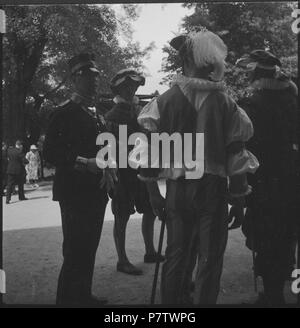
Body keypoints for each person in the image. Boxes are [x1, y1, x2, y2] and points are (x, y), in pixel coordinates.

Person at [133, 30, 259, 304]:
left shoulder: (163, 102)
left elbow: (149, 156)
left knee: (176, 254)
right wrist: (238, 201)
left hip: (178, 189)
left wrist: (154, 194)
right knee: (210, 257)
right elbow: (236, 156)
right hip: (212, 190)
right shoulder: (227, 105)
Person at [43, 53, 117, 306]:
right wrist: (84, 163)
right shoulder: (63, 112)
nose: (94, 81)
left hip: (95, 190)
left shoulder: (95, 113)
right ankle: (66, 299)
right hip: (74, 191)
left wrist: (108, 163)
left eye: (95, 76)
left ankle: (82, 294)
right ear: (75, 78)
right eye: (87, 76)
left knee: (89, 247)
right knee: (75, 250)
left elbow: (102, 147)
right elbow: (50, 152)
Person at [236, 50, 298, 306]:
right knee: (285, 235)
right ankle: (277, 291)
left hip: (264, 181)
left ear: (256, 73)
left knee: (266, 237)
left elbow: (244, 148)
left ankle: (273, 296)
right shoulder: (294, 100)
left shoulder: (251, 104)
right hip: (292, 179)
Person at [104, 69, 164, 275]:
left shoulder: (141, 111)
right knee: (122, 214)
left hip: (143, 169)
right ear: (119, 88)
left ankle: (150, 250)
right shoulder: (112, 116)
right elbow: (110, 149)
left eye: (134, 86)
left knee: (149, 210)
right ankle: (122, 259)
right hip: (123, 172)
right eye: (127, 86)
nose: (131, 89)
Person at [6, 140, 28, 204]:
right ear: (20, 145)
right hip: (19, 170)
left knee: (9, 185)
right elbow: (25, 161)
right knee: (20, 184)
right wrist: (26, 162)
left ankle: (7, 199)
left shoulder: (9, 150)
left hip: (10, 169)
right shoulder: (19, 152)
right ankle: (21, 197)